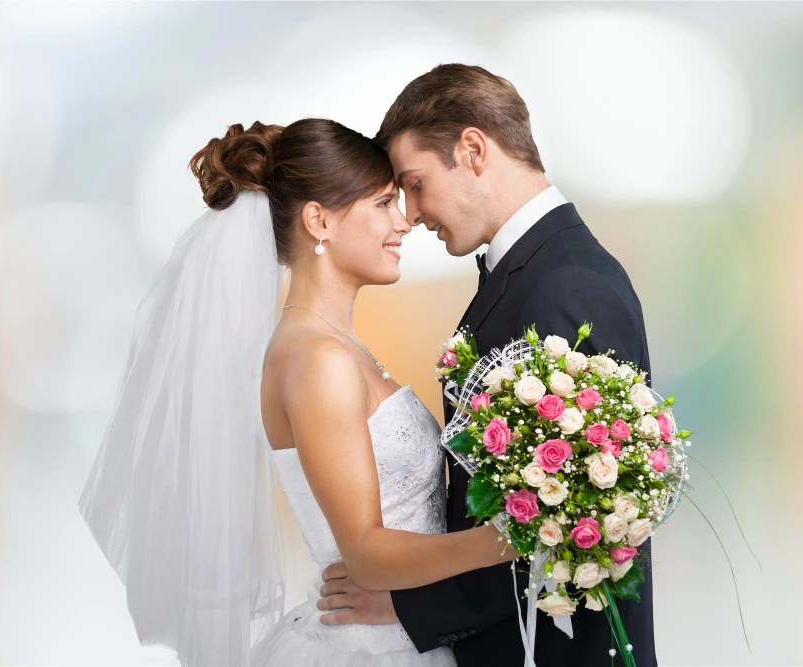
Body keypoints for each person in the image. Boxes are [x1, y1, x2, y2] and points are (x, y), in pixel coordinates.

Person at [78, 117, 518, 667]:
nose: (404, 222)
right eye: (383, 203)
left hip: (407, 634)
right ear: (319, 221)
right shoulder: (317, 360)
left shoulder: (334, 347)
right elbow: (367, 555)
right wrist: (512, 538)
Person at [318, 64, 657, 667]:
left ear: (473, 149)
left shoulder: (566, 286)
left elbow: (583, 522)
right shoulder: (531, 271)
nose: (413, 213)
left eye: (415, 183)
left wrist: (412, 606)